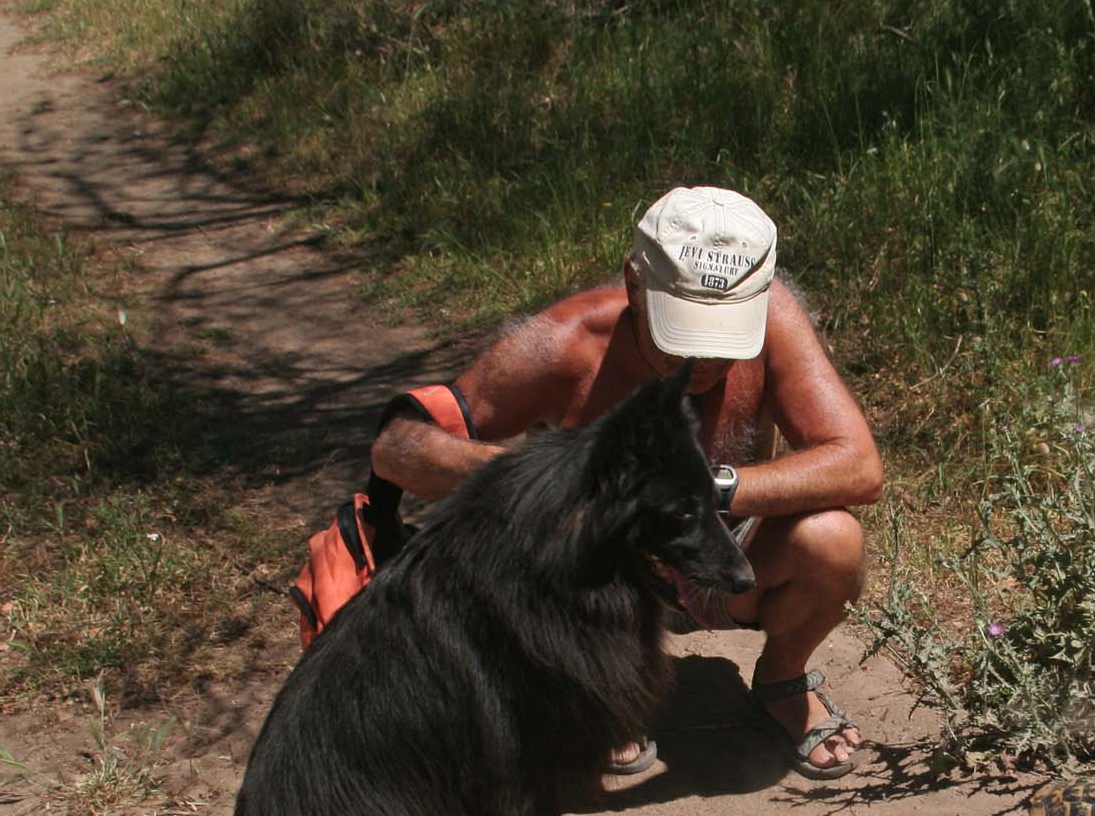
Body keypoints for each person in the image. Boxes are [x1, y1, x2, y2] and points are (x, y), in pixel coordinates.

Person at [370, 186, 883, 780]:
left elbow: (859, 467)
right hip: (596, 577)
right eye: (686, 330)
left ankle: (782, 680)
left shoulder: (776, 317)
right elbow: (397, 447)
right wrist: (560, 477)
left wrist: (695, 490)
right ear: (635, 284)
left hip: (720, 554)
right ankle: (598, 689)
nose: (708, 358)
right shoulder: (566, 343)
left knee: (833, 541)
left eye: (726, 335)